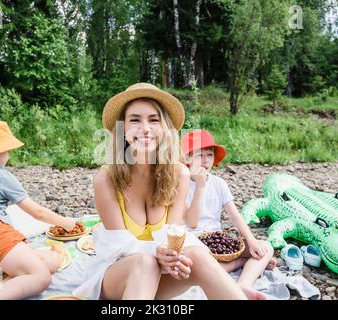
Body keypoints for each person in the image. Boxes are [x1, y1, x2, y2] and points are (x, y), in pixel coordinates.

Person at [75, 83, 249, 300]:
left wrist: (173, 258)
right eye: (135, 120)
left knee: (197, 255)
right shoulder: (107, 178)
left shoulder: (179, 175)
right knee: (145, 262)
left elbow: (173, 236)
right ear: (122, 129)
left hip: (160, 274)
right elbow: (117, 248)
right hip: (116, 279)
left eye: (154, 120)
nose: (145, 129)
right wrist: (155, 253)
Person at [0, 120, 76, 299]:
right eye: (7, 149)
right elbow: (37, 212)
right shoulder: (2, 176)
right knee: (41, 277)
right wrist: (67, 223)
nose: (9, 154)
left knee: (51, 262)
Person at [181, 129, 276, 300]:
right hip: (193, 243)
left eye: (209, 155)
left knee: (265, 248)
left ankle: (244, 283)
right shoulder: (182, 183)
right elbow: (191, 223)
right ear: (187, 158)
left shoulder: (219, 184)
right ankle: (238, 263)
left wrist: (252, 242)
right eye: (199, 155)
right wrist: (200, 185)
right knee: (193, 266)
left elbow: (235, 216)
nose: (205, 160)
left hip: (216, 240)